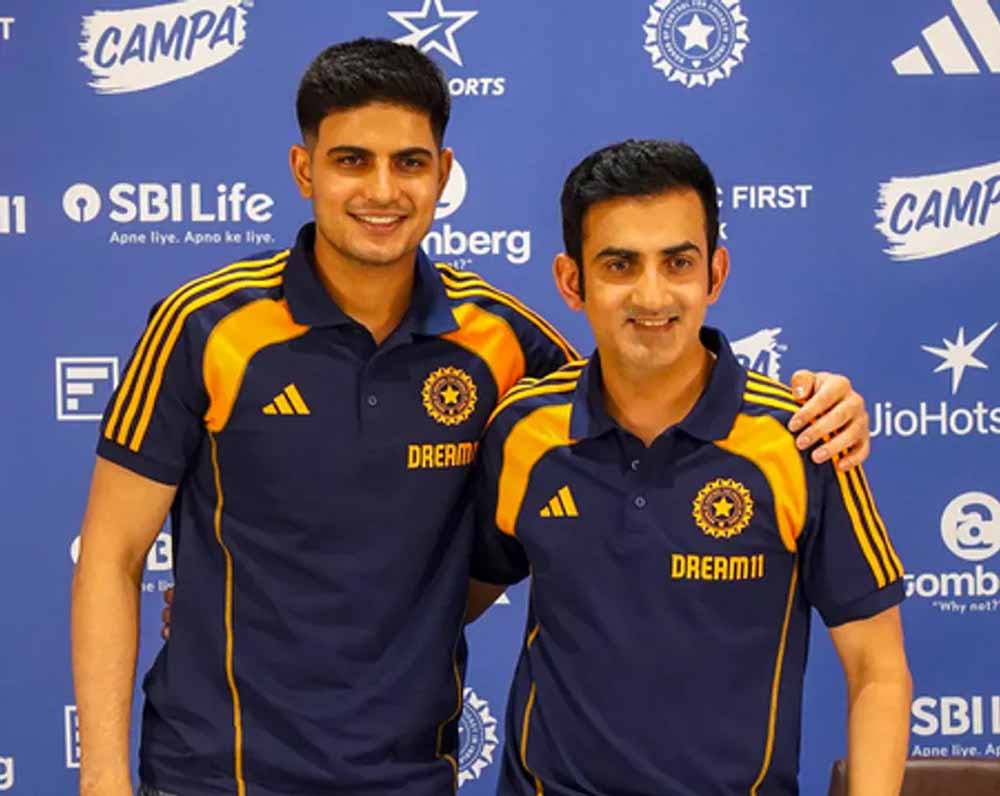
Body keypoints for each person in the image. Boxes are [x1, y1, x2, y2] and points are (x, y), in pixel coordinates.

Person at [71, 39, 874, 796]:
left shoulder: (501, 341)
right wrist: (103, 782)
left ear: (444, 173)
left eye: (409, 162)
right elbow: (111, 554)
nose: (382, 191)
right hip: (216, 769)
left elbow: (646, 387)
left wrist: (823, 404)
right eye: (352, 160)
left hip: (409, 772)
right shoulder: (204, 326)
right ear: (304, 169)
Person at [471, 140, 911, 796]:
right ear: (571, 282)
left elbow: (877, 669)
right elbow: (446, 602)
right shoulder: (522, 431)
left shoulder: (804, 437)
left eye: (677, 263)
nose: (652, 294)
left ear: (715, 273)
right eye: (620, 264)